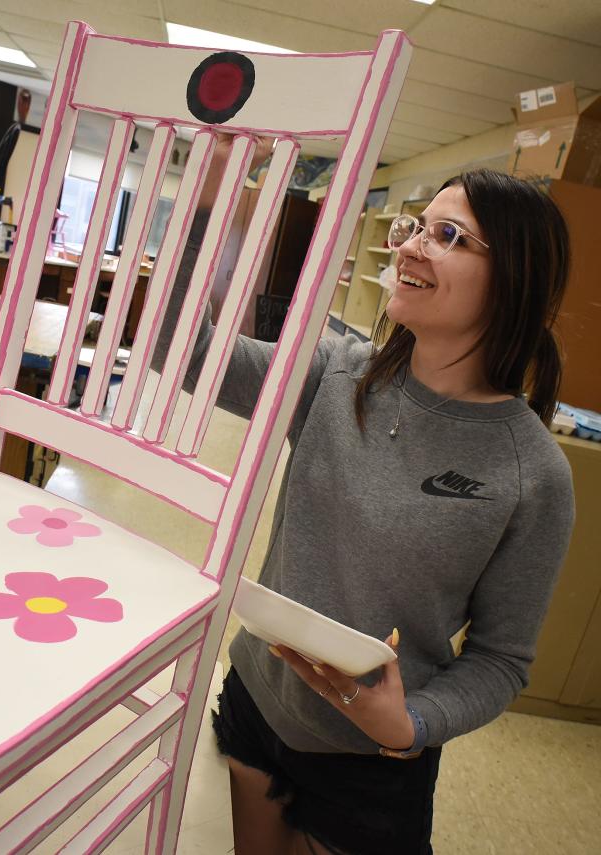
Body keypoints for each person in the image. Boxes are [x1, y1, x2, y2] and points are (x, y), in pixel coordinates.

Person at [155, 148, 574, 854]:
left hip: (371, 761)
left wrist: (410, 723)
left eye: (449, 236)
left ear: (513, 282)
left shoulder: (531, 471)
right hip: (261, 699)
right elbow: (181, 351)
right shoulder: (333, 373)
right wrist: (205, 208)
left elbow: (502, 658)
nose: (410, 245)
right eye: (418, 226)